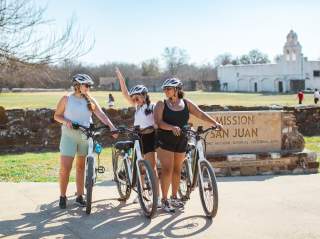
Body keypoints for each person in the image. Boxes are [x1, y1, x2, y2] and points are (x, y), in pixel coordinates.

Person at [154, 78, 223, 213]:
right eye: (165, 89)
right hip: (164, 140)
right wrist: (171, 127)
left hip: (181, 140)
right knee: (167, 169)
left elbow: (200, 114)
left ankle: (174, 197)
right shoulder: (161, 104)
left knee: (177, 170)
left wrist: (214, 123)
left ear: (177, 90)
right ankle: (164, 200)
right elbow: (158, 123)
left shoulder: (186, 103)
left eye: (168, 88)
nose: (165, 91)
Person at [54, 73, 117, 209]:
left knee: (81, 167)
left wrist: (112, 127)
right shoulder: (66, 99)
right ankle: (62, 196)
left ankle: (80, 196)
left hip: (85, 135)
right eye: (86, 85)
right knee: (66, 167)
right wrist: (67, 121)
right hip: (69, 136)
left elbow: (101, 115)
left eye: (89, 86)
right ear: (77, 85)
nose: (88, 88)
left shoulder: (91, 100)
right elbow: (57, 116)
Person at [115, 67, 160, 206]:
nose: (136, 99)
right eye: (134, 97)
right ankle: (140, 193)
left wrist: (157, 125)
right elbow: (125, 93)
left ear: (145, 95)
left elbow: (159, 120)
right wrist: (121, 79)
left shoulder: (152, 106)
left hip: (150, 137)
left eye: (139, 96)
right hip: (137, 137)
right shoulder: (137, 107)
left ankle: (156, 197)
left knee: (151, 168)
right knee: (140, 168)